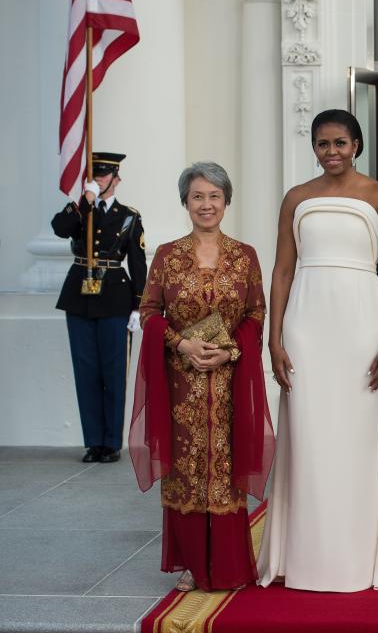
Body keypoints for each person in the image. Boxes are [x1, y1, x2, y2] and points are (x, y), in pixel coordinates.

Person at [257, 109, 378, 592]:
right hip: (307, 325)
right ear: (313, 147)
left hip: (362, 325)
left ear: (357, 145)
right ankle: (307, 557)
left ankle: (360, 557)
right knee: (309, 439)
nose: (332, 152)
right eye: (323, 144)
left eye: (341, 143)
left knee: (358, 440)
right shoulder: (296, 198)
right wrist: (275, 338)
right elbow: (282, 271)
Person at [129, 161, 274, 593]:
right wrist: (183, 345)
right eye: (197, 196)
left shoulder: (244, 256)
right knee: (189, 469)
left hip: (229, 381)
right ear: (185, 203)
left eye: (214, 196)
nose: (206, 204)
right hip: (181, 383)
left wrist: (231, 348)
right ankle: (193, 563)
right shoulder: (168, 256)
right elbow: (150, 313)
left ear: (226, 201)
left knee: (224, 467)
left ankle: (229, 566)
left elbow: (256, 312)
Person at [52, 152, 147, 464]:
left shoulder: (129, 216)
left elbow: (137, 264)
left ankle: (111, 443)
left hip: (115, 297)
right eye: (94, 175)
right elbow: (60, 228)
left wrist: (138, 306)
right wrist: (84, 202)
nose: (98, 180)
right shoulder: (81, 211)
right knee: (86, 371)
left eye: (104, 175)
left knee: (113, 370)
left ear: (116, 179)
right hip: (79, 296)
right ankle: (93, 442)